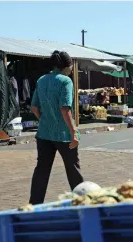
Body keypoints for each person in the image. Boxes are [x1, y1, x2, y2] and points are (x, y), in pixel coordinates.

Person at [29, 50, 84, 205]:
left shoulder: (42, 80)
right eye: (72, 64)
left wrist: (45, 120)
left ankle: (34, 205)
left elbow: (34, 107)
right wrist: (73, 131)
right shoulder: (65, 81)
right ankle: (82, 202)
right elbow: (64, 108)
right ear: (67, 65)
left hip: (44, 134)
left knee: (42, 170)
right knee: (73, 169)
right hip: (63, 134)